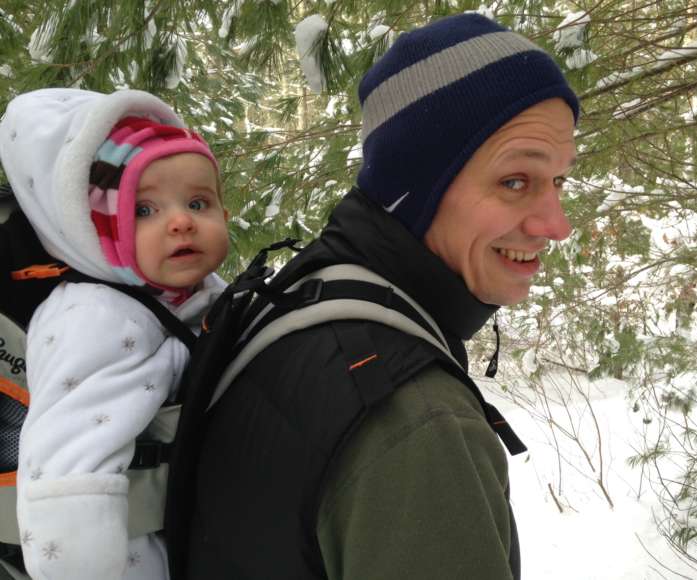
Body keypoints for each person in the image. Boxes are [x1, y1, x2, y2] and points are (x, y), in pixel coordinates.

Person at [187, 13, 579, 580]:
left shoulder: (307, 291)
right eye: (515, 181)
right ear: (417, 188)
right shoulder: (418, 428)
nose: (556, 224)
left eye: (559, 180)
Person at [0, 88, 229, 580]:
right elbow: (64, 468)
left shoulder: (186, 286)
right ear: (100, 229)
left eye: (198, 201)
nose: (181, 221)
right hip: (121, 550)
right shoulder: (95, 319)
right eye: (145, 210)